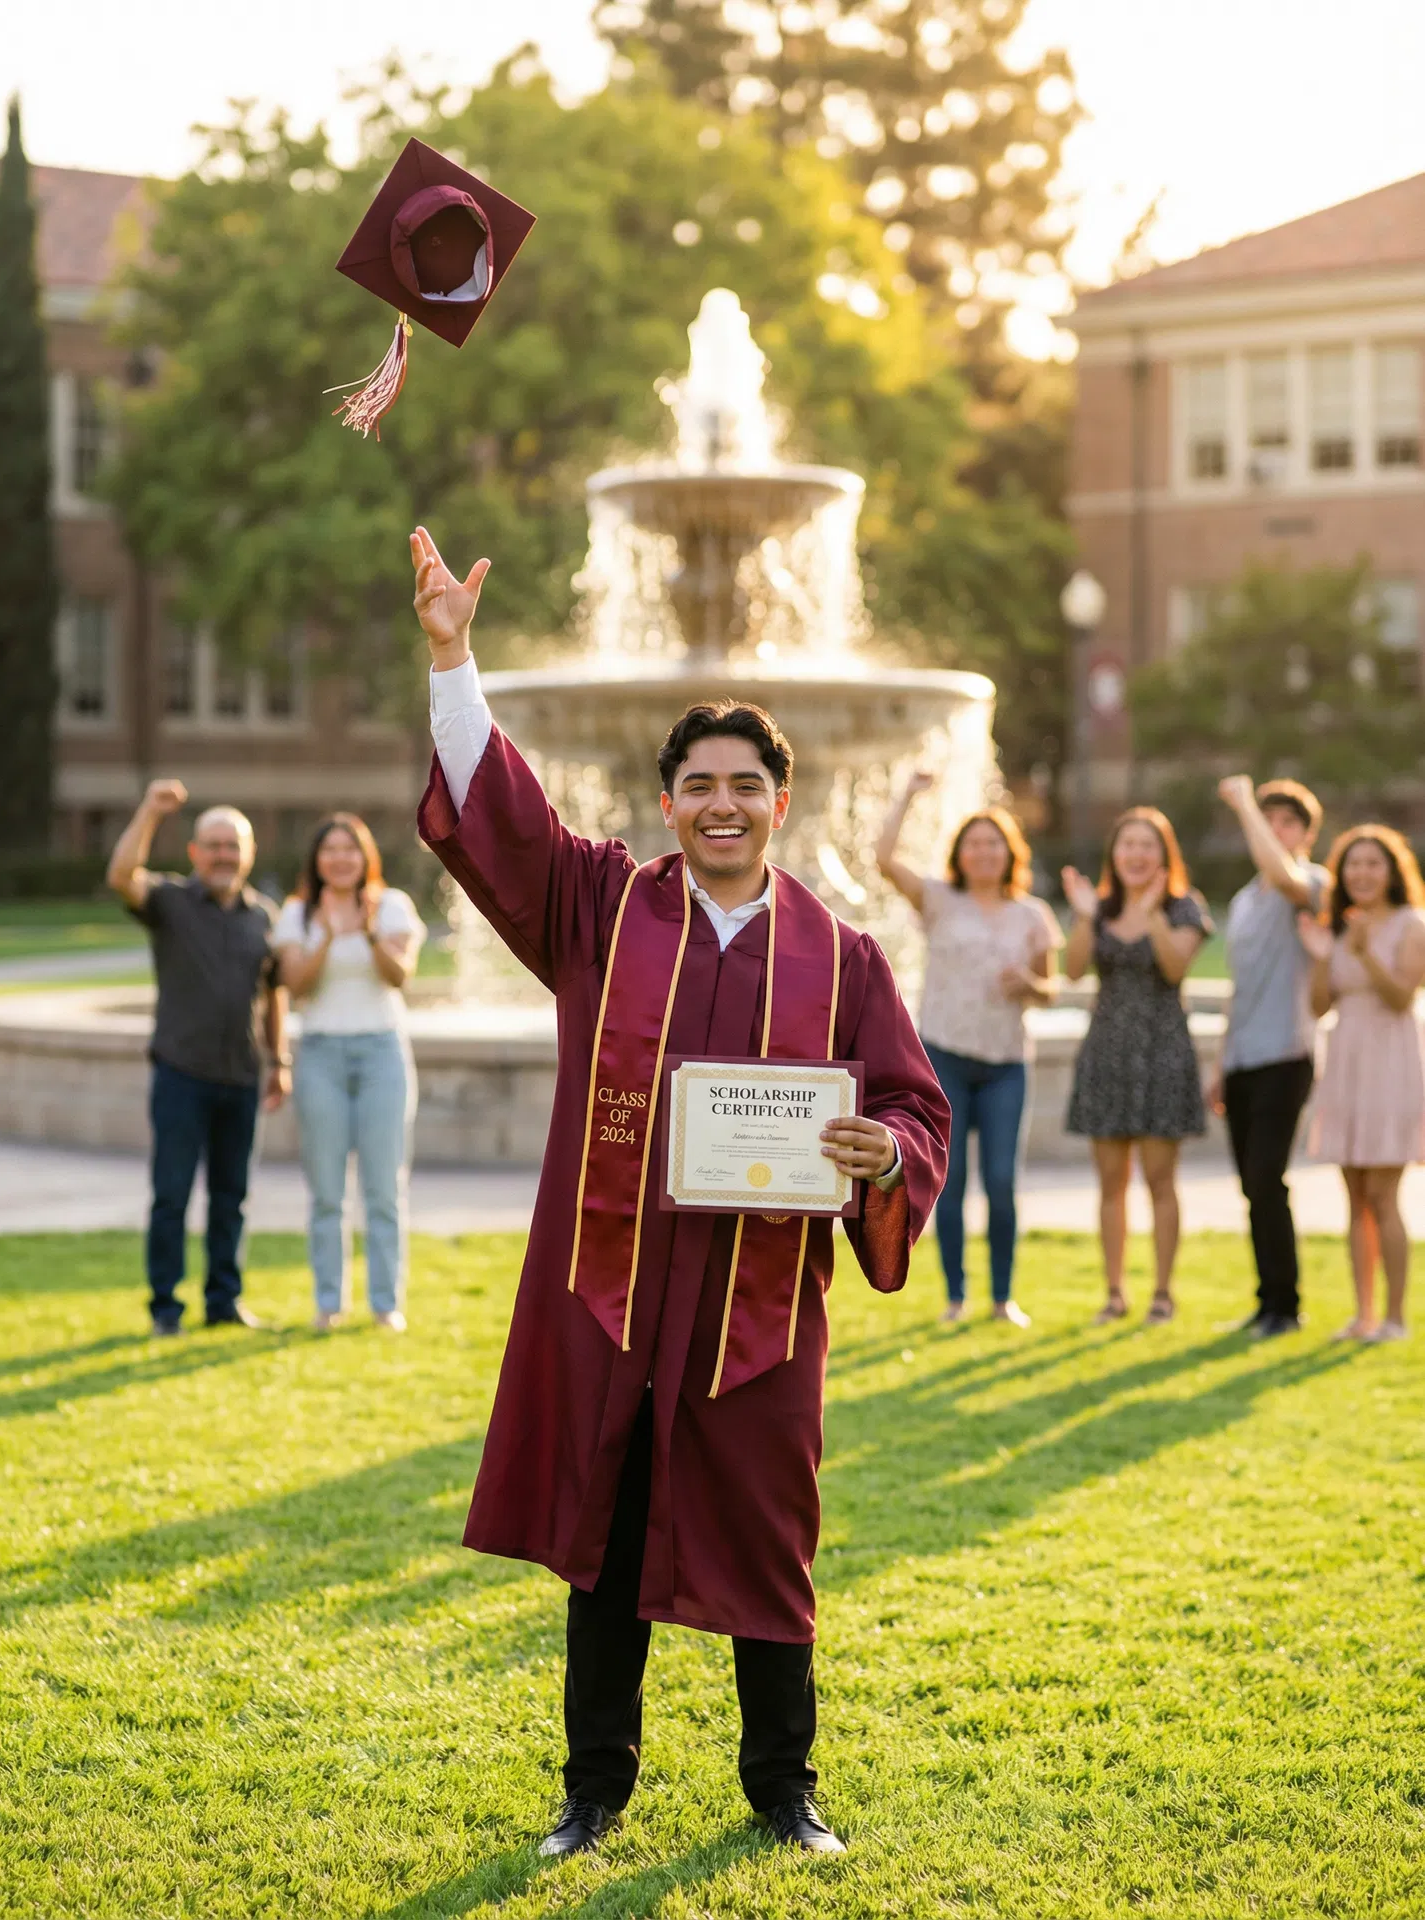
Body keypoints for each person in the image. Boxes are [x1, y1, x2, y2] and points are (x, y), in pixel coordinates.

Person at [410, 526, 950, 1860]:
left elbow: (910, 1106)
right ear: (666, 805)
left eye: (743, 785)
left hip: (757, 1312)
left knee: (769, 1542)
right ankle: (591, 1789)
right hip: (614, 1295)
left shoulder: (841, 957)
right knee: (604, 1544)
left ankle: (784, 1789)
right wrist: (453, 661)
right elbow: (508, 828)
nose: (720, 803)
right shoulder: (604, 909)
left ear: (783, 800)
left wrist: (883, 1154)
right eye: (697, 784)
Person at [876, 775, 1061, 1326]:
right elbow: (884, 859)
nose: (983, 852)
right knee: (949, 1184)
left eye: (994, 843)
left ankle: (1003, 1298)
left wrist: (1027, 981)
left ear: (1010, 854)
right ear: (960, 852)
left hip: (1006, 1064)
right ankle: (955, 1297)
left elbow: (1051, 991)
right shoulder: (938, 899)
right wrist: (907, 795)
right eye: (974, 843)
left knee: (1002, 1183)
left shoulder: (1033, 915)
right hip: (945, 1060)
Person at [106, 781, 288, 1336]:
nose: (223, 855)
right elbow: (120, 876)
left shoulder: (265, 918)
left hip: (240, 1078)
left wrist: (278, 1060)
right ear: (195, 853)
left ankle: (223, 1301)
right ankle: (165, 1308)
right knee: (172, 1196)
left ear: (249, 854)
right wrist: (150, 812)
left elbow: (274, 994)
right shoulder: (169, 901)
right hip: (180, 1074)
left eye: (233, 846)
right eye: (213, 845)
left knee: (231, 1200)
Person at [272, 814, 425, 1333]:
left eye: (350, 849)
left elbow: (399, 976)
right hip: (319, 1056)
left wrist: (366, 930)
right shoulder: (298, 913)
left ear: (365, 857)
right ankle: (328, 1304)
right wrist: (327, 938)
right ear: (317, 860)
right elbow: (295, 985)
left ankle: (386, 1304)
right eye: (330, 849)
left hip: (382, 1052)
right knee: (327, 1191)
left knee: (384, 1187)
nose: (340, 858)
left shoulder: (393, 906)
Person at [1062, 808, 1210, 1324]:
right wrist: (1083, 915)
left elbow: (1174, 968)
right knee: (1110, 1184)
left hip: (1163, 1054)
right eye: (1128, 845)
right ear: (1115, 855)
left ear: (1164, 855)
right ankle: (1114, 1292)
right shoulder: (1097, 909)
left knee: (1161, 1180)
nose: (1137, 854)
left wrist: (1151, 916)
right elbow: (1074, 970)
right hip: (1108, 1053)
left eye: (1148, 846)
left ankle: (1163, 1293)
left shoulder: (1185, 909)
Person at [1211, 777, 1329, 1339]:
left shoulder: (1310, 882)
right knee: (1252, 1186)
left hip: (1288, 1054)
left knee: (1266, 1177)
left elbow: (1282, 872)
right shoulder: (1242, 903)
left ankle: (1287, 1306)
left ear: (1307, 834)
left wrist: (1243, 803)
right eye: (1269, 819)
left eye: (1288, 822)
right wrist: (1220, 1062)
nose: (1277, 830)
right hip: (1242, 1061)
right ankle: (1267, 1302)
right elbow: (1239, 986)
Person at [1297, 825, 1425, 1343]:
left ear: (1392, 870)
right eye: (1353, 864)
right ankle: (1362, 1313)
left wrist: (1367, 951)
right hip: (1346, 1058)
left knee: (1383, 1191)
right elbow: (1318, 1006)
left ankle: (1395, 1316)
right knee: (1354, 1197)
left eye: (1374, 863)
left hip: (1391, 1059)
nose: (1363, 873)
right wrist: (1326, 955)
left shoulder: (1412, 924)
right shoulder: (1337, 927)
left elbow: (1401, 998)